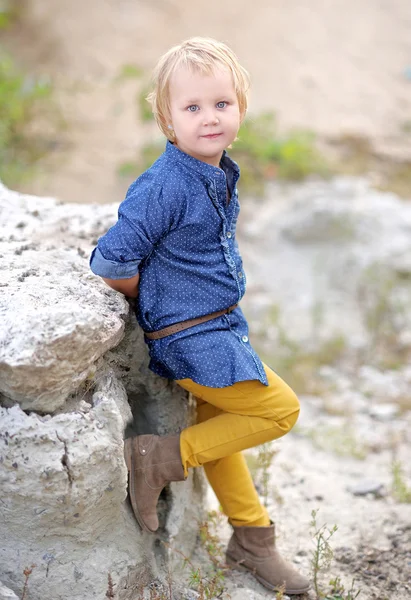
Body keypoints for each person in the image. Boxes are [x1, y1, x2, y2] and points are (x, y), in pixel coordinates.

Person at [89, 37, 309, 596]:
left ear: (240, 108)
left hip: (220, 328)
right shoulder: (165, 184)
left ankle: (252, 540)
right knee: (280, 409)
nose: (209, 118)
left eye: (221, 104)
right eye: (192, 108)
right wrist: (154, 299)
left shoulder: (215, 170)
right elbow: (112, 259)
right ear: (166, 119)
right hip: (191, 339)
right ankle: (161, 456)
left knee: (224, 435)